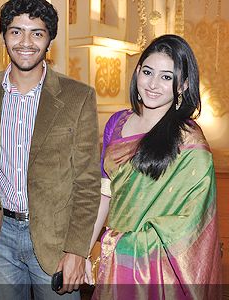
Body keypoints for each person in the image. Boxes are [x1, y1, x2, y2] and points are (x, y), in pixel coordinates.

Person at [0, 0, 100, 299]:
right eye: (16, 32)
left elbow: (87, 183)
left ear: (50, 40)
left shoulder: (79, 97)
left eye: (37, 33)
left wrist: (77, 250)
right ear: (4, 36)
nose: (25, 42)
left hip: (55, 240)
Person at [85, 34, 221, 299]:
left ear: (182, 85)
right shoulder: (117, 123)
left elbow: (191, 222)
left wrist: (121, 243)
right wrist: (84, 251)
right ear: (137, 73)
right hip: (115, 261)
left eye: (167, 77)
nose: (153, 84)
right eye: (148, 72)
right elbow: (105, 194)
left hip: (162, 272)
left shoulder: (190, 141)